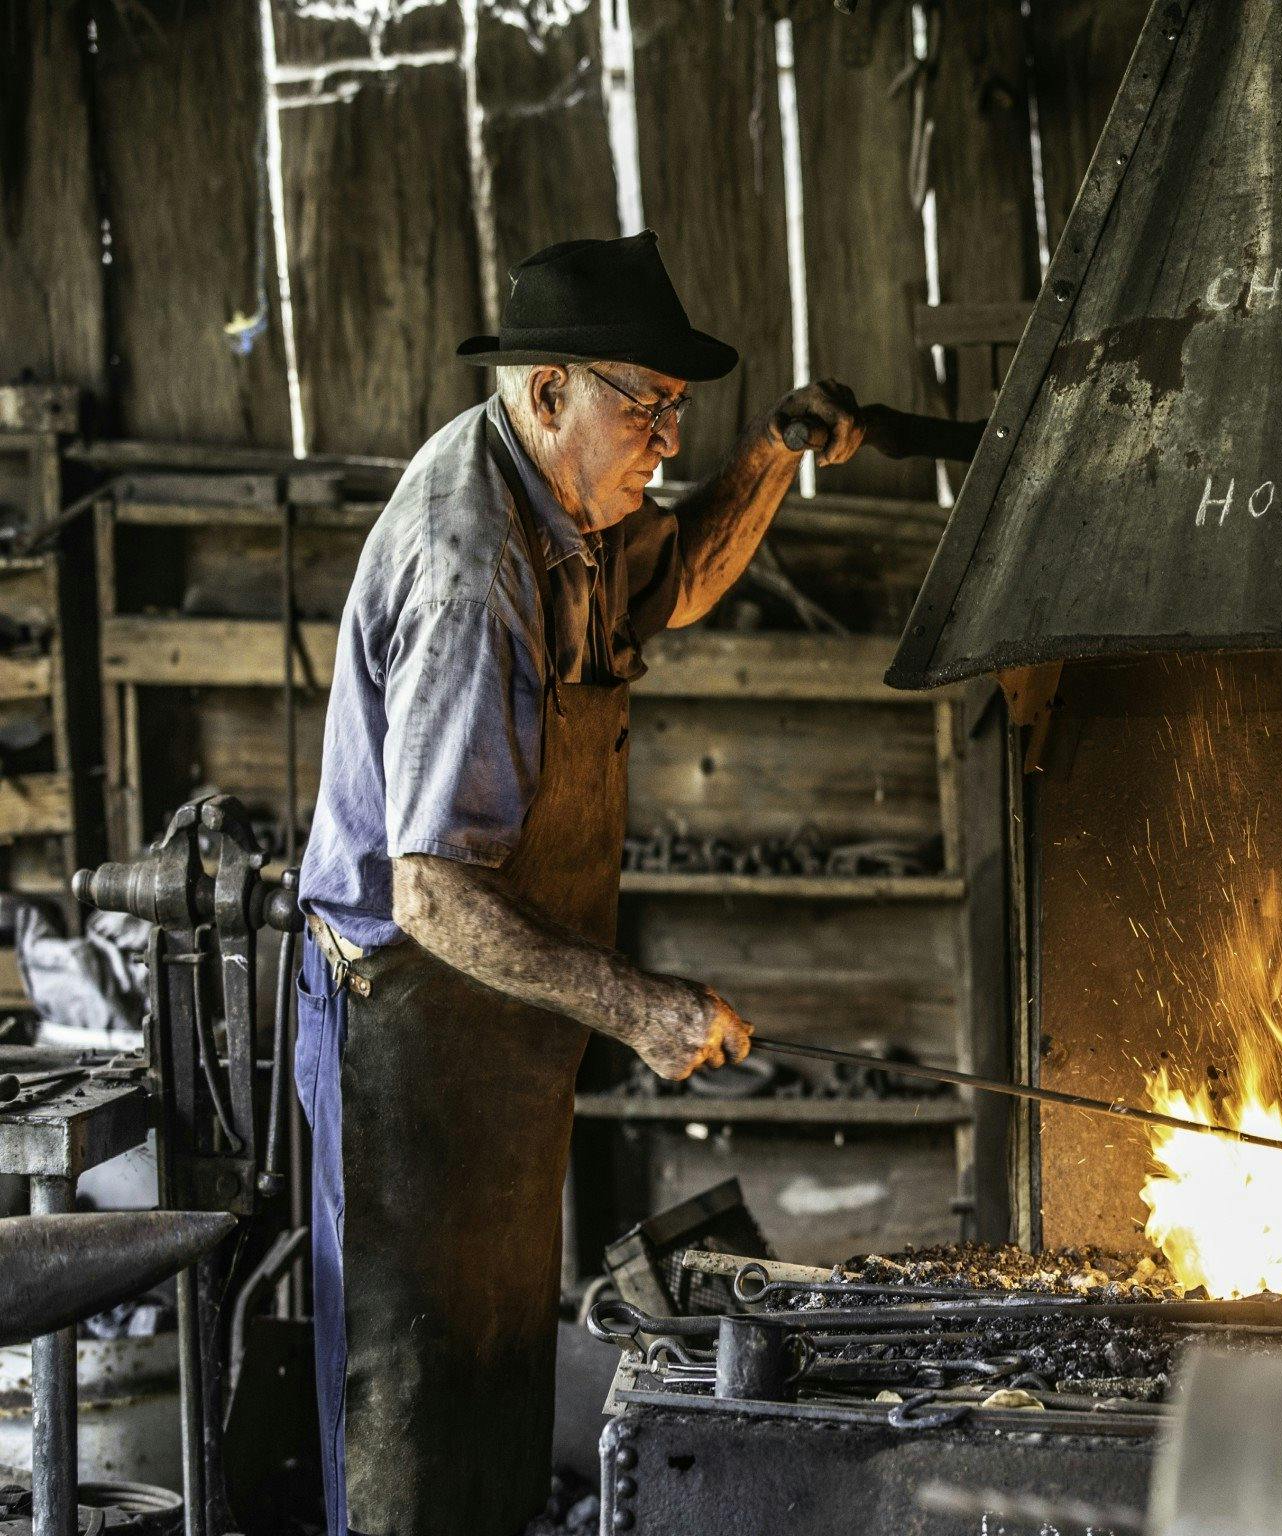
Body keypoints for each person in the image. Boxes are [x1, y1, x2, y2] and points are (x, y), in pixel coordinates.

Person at [293, 231, 864, 1535]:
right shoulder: (475, 566)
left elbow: (689, 577)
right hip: (408, 1007)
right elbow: (430, 892)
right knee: (415, 1387)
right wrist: (638, 1006)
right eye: (644, 404)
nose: (666, 437)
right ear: (548, 393)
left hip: (504, 997)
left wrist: (771, 451)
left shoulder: (582, 513)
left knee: (496, 1347)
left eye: (677, 408)